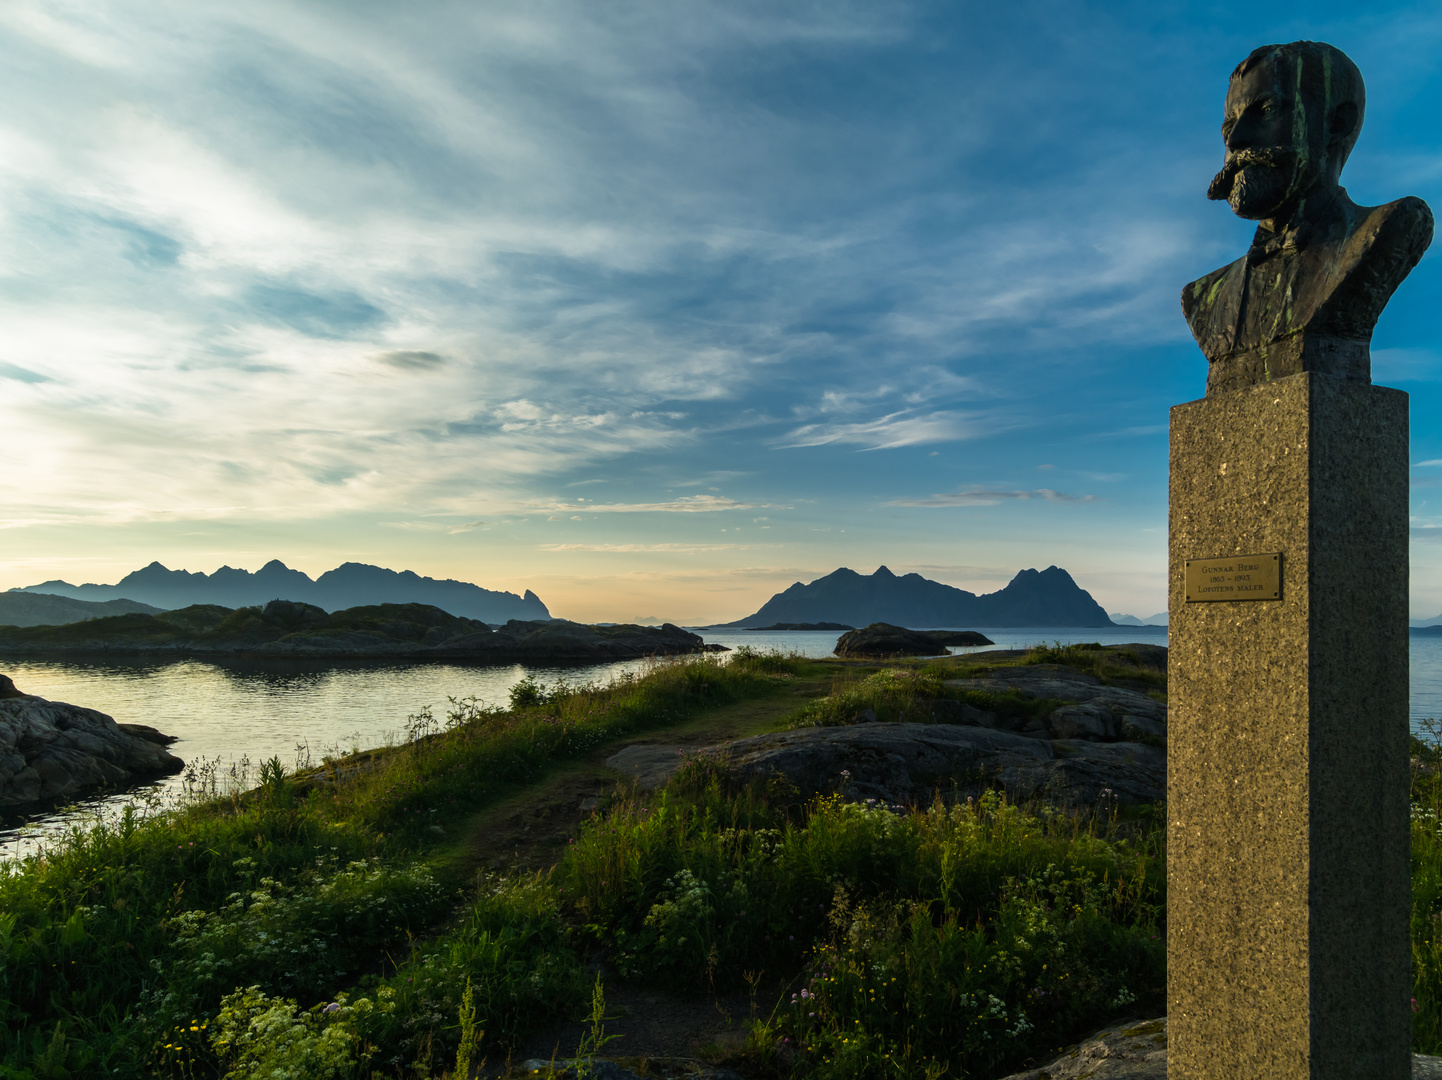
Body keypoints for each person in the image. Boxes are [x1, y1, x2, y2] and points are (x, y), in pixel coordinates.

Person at [1182, 41, 1433, 395]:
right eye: (1228, 128)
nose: (1236, 141)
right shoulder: (1204, 297)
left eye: (1265, 110)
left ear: (1336, 123)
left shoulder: (1382, 231)